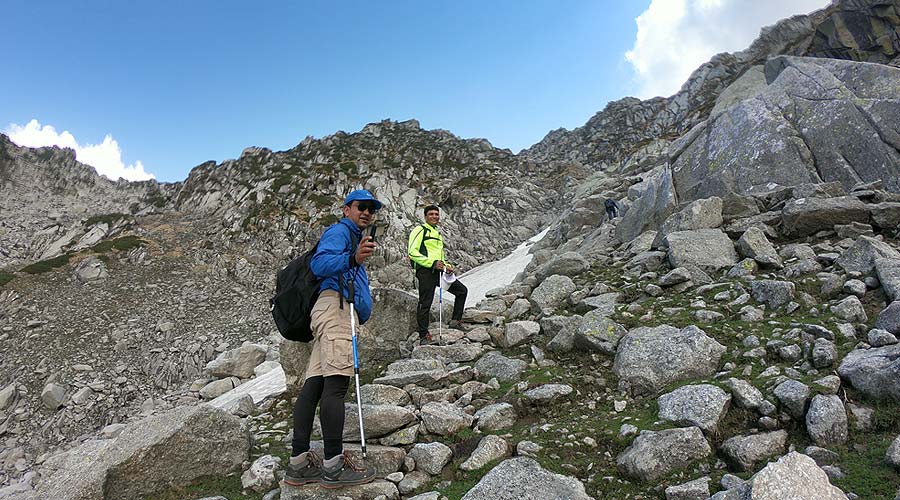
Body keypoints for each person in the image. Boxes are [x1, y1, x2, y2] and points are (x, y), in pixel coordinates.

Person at [285, 189, 380, 488]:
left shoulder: (350, 237)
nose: (366, 212)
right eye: (361, 207)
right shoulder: (340, 232)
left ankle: (299, 463)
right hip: (336, 310)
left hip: (328, 312)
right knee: (336, 385)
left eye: (371, 209)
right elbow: (319, 264)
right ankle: (334, 465)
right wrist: (352, 258)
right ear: (346, 209)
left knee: (314, 385)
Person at [408, 205, 468, 342]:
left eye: (436, 214)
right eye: (431, 214)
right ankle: (423, 334)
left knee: (462, 291)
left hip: (439, 271)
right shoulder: (420, 230)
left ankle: (455, 321)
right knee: (425, 302)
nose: (435, 216)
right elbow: (412, 252)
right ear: (425, 216)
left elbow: (440, 256)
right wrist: (432, 263)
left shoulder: (437, 233)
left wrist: (447, 266)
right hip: (425, 271)